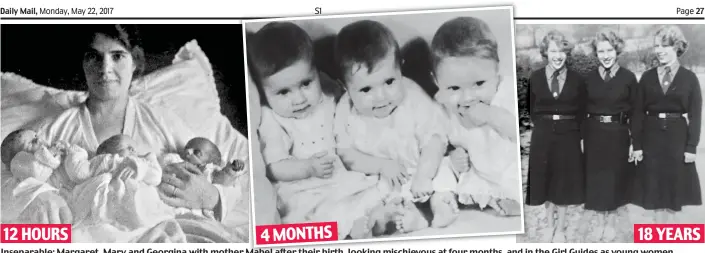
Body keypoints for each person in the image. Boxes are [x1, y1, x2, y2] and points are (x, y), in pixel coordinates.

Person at [0, 25, 249, 242]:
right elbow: (9, 175)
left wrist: (213, 197)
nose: (105, 68)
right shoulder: (51, 130)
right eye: (94, 56)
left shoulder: (162, 121)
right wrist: (37, 196)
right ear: (83, 62)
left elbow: (217, 169)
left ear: (135, 61)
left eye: (117, 55)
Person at [249, 22, 391, 239]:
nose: (299, 99)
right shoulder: (272, 118)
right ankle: (351, 227)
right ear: (264, 91)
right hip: (303, 188)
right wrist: (307, 168)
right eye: (284, 92)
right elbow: (273, 168)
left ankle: (369, 219)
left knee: (370, 189)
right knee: (315, 215)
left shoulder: (329, 95)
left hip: (340, 175)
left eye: (306, 83)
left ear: (317, 72)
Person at [333, 20, 459, 234]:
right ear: (345, 86)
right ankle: (404, 215)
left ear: (400, 67)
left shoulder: (413, 96)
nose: (381, 97)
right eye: (365, 90)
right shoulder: (345, 108)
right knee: (372, 192)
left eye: (389, 82)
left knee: (444, 171)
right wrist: (380, 166)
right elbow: (346, 153)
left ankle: (442, 204)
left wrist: (424, 175)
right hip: (384, 174)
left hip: (421, 165)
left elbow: (434, 140)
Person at [430, 17, 522, 217]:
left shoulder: (506, 93)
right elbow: (442, 140)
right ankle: (444, 204)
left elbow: (520, 132)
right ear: (436, 81)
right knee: (443, 168)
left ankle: (518, 200)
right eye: (454, 88)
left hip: (510, 167)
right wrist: (454, 159)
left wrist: (492, 115)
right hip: (481, 172)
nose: (467, 98)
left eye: (479, 84)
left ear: (497, 74)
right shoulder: (443, 107)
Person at [631, 25, 702, 223]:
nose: (659, 50)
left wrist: (691, 147)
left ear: (677, 47)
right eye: (656, 46)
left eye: (665, 45)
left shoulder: (690, 78)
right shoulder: (646, 77)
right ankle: (657, 235)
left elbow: (696, 116)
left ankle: (671, 237)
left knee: (674, 191)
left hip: (677, 138)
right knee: (654, 191)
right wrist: (636, 144)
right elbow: (637, 113)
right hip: (651, 138)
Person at [525, 30, 586, 242]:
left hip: (568, 136)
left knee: (563, 183)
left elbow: (581, 111)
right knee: (546, 181)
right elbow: (531, 109)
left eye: (561, 51)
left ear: (567, 53)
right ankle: (548, 226)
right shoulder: (535, 78)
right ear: (545, 52)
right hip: (543, 136)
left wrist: (571, 130)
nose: (557, 55)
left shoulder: (577, 79)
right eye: (553, 50)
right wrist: (545, 125)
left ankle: (560, 229)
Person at [582, 29, 639, 241]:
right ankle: (600, 223)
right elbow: (581, 111)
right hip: (594, 134)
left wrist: (635, 141)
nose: (605, 55)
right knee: (597, 180)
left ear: (617, 50)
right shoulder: (588, 79)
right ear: (595, 53)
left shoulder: (628, 78)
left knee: (615, 179)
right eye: (601, 51)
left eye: (609, 50)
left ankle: (611, 223)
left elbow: (636, 112)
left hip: (619, 134)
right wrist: (581, 138)